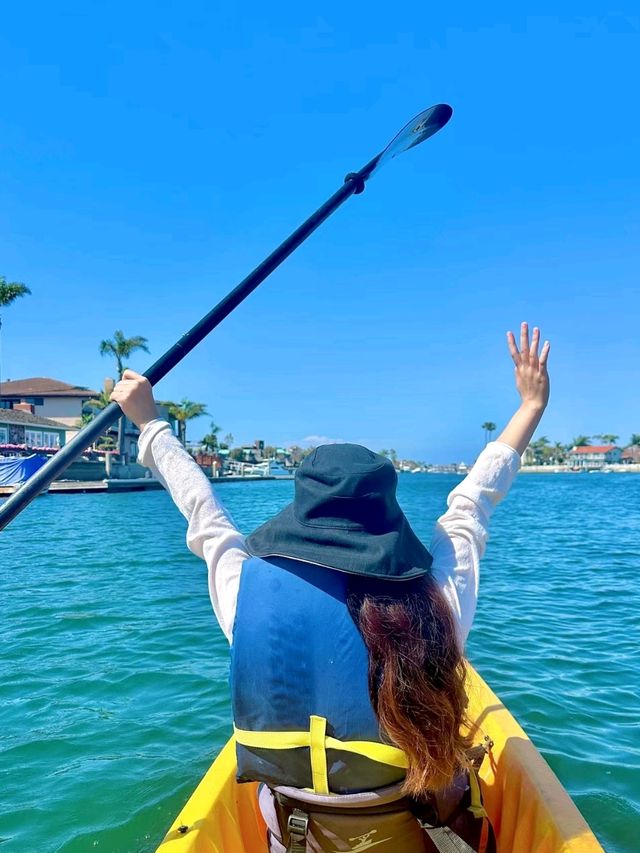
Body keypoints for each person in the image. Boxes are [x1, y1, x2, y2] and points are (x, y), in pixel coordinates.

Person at [111, 322, 550, 852]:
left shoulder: (245, 591)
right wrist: (530, 406)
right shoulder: (436, 605)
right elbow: (471, 506)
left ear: (301, 518)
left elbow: (202, 510)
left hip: (298, 840)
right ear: (386, 522)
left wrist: (150, 422)